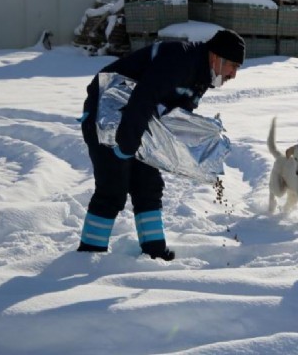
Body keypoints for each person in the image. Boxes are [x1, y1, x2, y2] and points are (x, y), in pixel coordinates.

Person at [76, 29, 246, 261]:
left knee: (148, 185)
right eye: (233, 66)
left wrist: (194, 155)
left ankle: (153, 252)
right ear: (217, 57)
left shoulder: (200, 78)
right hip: (105, 114)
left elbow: (173, 120)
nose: (234, 74)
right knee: (113, 187)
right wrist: (126, 145)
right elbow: (143, 98)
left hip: (136, 121)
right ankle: (88, 256)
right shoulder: (180, 60)